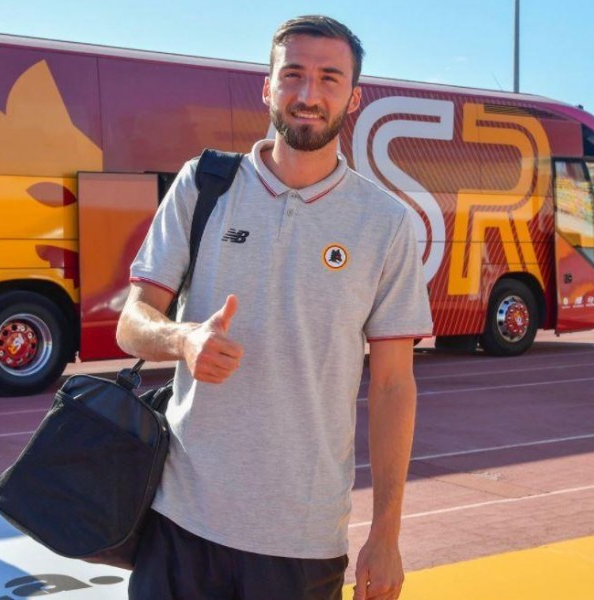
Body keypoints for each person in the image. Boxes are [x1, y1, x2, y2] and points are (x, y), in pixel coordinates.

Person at [117, 15, 433, 600]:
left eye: (328, 78)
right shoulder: (203, 185)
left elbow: (393, 387)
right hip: (179, 521)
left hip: (301, 539)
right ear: (267, 86)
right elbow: (133, 322)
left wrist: (386, 534)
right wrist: (183, 340)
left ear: (353, 97)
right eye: (292, 75)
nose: (308, 95)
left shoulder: (384, 224)